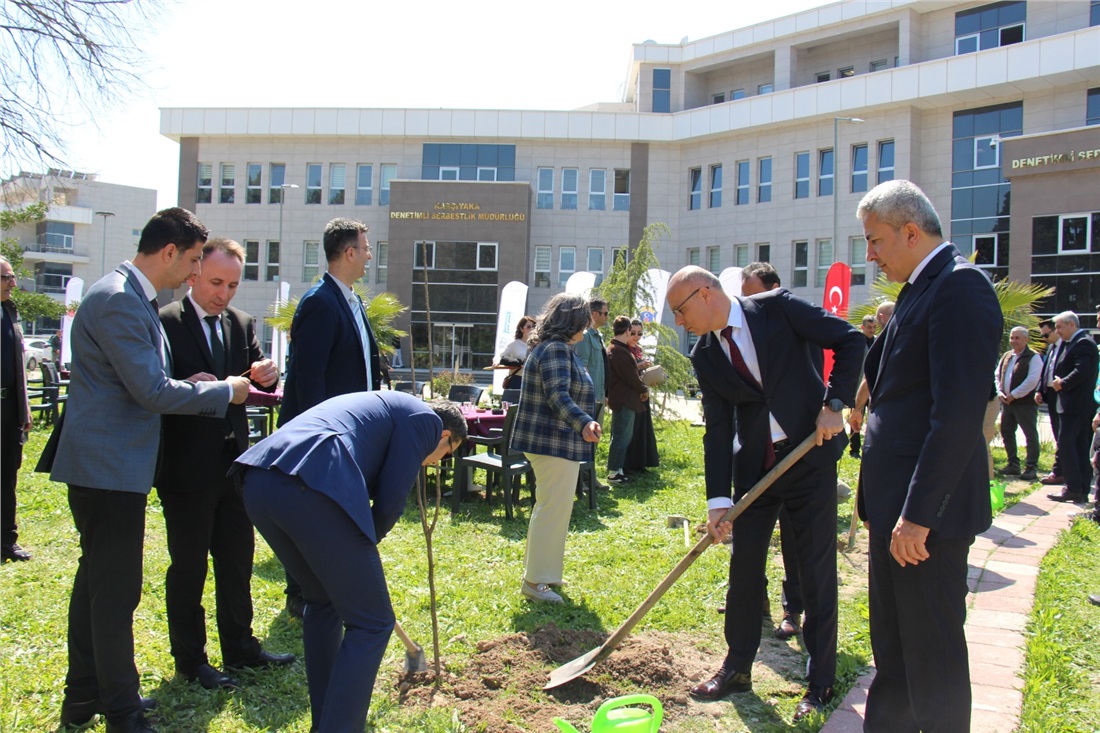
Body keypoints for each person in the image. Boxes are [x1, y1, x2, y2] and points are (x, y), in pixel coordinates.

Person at [50, 208, 252, 733]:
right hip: (108, 470)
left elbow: (145, 378)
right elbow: (151, 391)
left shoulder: (129, 295)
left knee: (96, 587)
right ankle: (122, 710)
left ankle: (84, 696)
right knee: (116, 595)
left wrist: (197, 382)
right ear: (168, 253)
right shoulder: (120, 299)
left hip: (111, 469)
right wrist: (223, 390)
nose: (192, 274)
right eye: (190, 262)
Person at [667, 265, 864, 722]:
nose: (680, 321)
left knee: (815, 570)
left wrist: (836, 404)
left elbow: (851, 340)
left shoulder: (778, 309)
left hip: (809, 459)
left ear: (705, 293)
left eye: (680, 310)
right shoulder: (705, 355)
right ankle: (737, 667)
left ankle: (820, 680)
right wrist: (718, 501)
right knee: (744, 570)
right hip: (756, 471)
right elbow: (717, 430)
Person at [856, 180, 1002, 731]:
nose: (869, 255)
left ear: (910, 232)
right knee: (894, 652)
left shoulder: (959, 287)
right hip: (896, 512)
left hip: (924, 522)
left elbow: (957, 415)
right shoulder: (921, 287)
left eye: (875, 241)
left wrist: (918, 515)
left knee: (932, 658)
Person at [233, 392, 465, 733]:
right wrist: (364, 545)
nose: (434, 463)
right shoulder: (426, 421)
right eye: (446, 454)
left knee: (323, 601)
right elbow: (390, 499)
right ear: (445, 436)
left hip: (261, 482)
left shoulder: (390, 408)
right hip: (310, 484)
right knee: (373, 622)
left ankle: (326, 723)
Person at [156, 238, 294, 691]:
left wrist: (267, 372)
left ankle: (240, 647)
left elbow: (253, 375)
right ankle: (191, 659)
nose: (224, 293)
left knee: (237, 560)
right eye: (216, 282)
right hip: (186, 466)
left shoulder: (241, 322)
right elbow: (154, 388)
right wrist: (184, 385)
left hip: (235, 463)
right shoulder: (165, 322)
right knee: (189, 566)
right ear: (193, 274)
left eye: (233, 285)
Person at [278, 217, 381, 616]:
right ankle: (301, 594)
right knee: (311, 515)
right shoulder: (320, 303)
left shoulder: (352, 300)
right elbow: (309, 379)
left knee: (335, 516)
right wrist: (321, 439)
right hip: (324, 437)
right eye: (366, 249)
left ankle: (327, 587)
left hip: (352, 430)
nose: (370, 256)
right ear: (349, 252)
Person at [510, 293, 601, 603]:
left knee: (553, 509)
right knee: (552, 510)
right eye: (584, 323)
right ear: (571, 322)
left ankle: (543, 575)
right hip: (552, 441)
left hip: (556, 441)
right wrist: (585, 423)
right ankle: (536, 583)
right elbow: (558, 397)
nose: (587, 329)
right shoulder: (556, 350)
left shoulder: (556, 348)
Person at [737, 261, 805, 639]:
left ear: (775, 289)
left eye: (755, 296)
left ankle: (793, 608)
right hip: (754, 452)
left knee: (794, 535)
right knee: (749, 530)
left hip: (794, 452)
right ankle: (752, 597)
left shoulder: (795, 327)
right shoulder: (741, 335)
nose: (748, 306)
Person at [1047, 311, 1099, 503]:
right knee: (1077, 446)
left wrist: (1063, 383)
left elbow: (1081, 370)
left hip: (1076, 406)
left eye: (1060, 327)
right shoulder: (1075, 343)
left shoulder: (1083, 342)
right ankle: (1079, 488)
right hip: (1073, 406)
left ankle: (1073, 487)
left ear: (1071, 325)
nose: (1057, 331)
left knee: (1069, 446)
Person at [1, 255, 32, 562]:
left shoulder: (10, 312)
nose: (12, 283)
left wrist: (24, 411)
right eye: (5, 278)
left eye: (11, 277)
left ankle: (6, 541)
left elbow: (19, 368)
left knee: (7, 476)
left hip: (8, 409)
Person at [606, 316, 648, 485]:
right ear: (626, 330)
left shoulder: (619, 348)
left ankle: (618, 469)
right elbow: (630, 377)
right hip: (623, 399)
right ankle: (614, 472)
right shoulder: (618, 350)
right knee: (621, 436)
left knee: (623, 435)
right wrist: (643, 389)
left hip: (625, 398)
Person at [996, 326, 1042, 481]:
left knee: (1030, 435)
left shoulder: (1033, 357)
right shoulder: (1007, 356)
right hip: (1007, 403)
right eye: (1012, 338)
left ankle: (1031, 467)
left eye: (1017, 338)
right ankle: (1013, 464)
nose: (1013, 341)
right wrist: (1000, 392)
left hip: (1025, 404)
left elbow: (1032, 380)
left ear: (1026, 339)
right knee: (1007, 432)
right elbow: (997, 375)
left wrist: (1014, 395)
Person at [573, 299, 609, 491]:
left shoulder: (597, 336)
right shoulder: (586, 336)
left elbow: (600, 368)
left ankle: (590, 477)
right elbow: (583, 367)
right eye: (605, 313)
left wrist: (604, 394)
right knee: (588, 439)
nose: (607, 316)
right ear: (594, 314)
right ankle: (583, 480)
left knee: (594, 440)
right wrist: (589, 396)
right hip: (589, 398)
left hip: (599, 396)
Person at [623, 318, 660, 474]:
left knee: (642, 428)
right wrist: (640, 366)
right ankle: (627, 464)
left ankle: (640, 463)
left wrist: (650, 376)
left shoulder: (638, 350)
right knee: (631, 429)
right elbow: (625, 371)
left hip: (642, 393)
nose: (636, 336)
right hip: (630, 395)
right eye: (633, 333)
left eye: (640, 333)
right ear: (627, 332)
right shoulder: (623, 348)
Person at [1036, 319, 1064, 485]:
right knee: (1057, 434)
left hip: (1062, 394)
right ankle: (1060, 469)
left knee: (1063, 435)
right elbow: (1046, 371)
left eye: (1046, 335)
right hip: (1051, 395)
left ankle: (1060, 471)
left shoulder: (1066, 347)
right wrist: (1040, 390)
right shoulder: (1052, 348)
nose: (1044, 339)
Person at [494, 315, 535, 390]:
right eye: (528, 327)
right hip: (517, 380)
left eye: (533, 326)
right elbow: (499, 356)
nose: (532, 329)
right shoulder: (514, 344)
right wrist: (496, 361)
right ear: (521, 329)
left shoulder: (538, 344)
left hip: (533, 380)